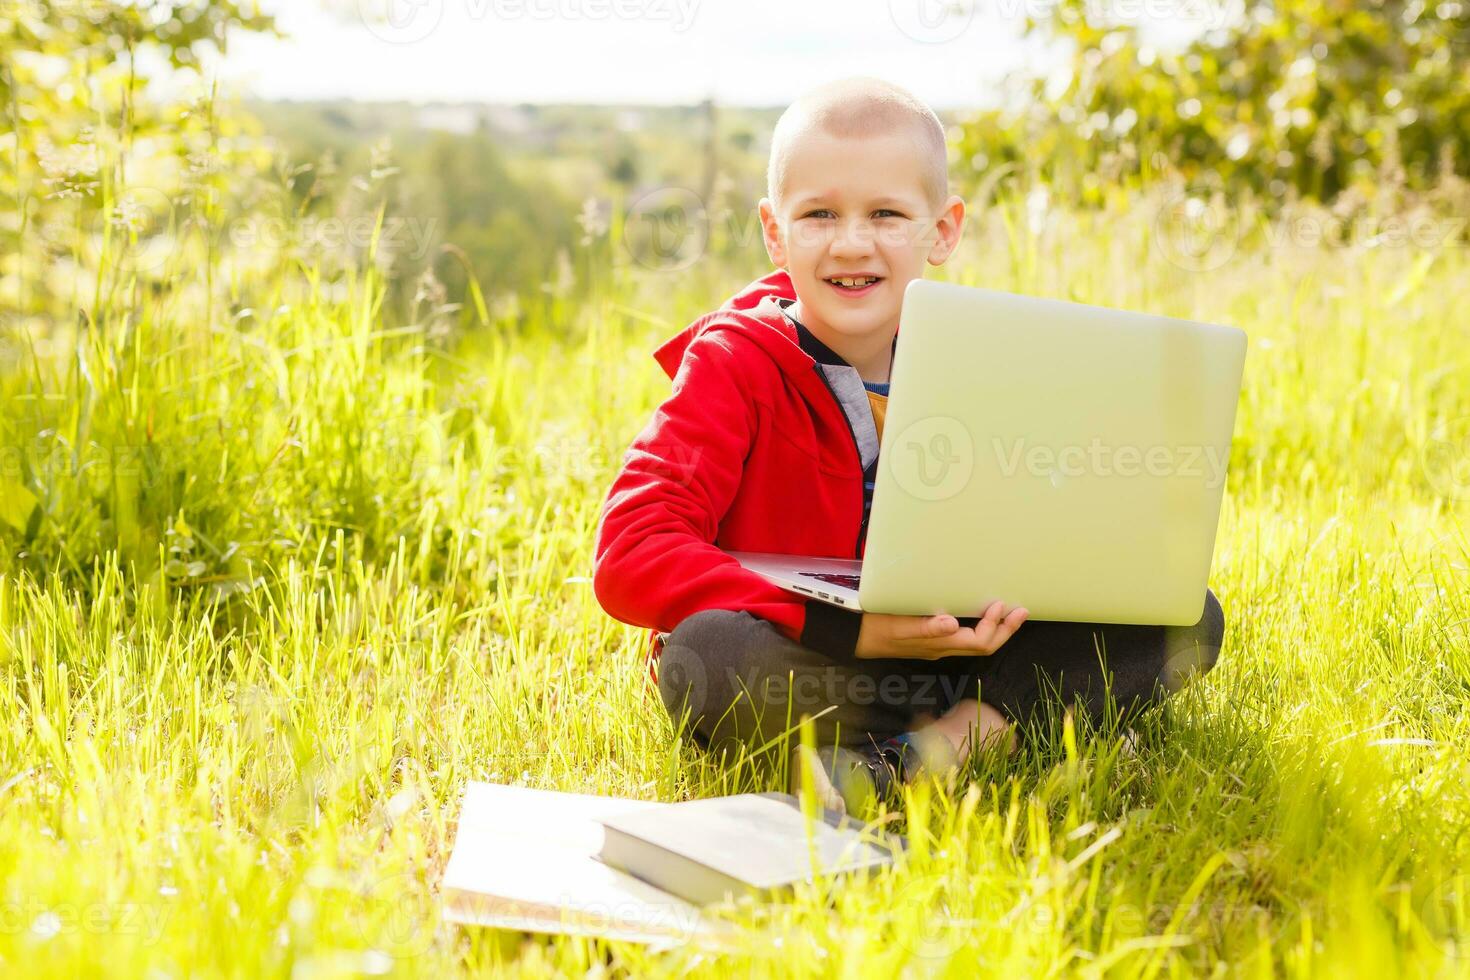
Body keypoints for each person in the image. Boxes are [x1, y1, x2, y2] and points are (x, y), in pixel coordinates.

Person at [591, 77, 1224, 815]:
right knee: (710, 653)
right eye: (819, 214)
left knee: (1185, 615)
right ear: (775, 231)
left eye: (887, 214)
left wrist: (1016, 595)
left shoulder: (986, 356)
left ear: (942, 230)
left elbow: (1043, 524)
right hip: (815, 659)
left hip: (957, 659)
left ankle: (933, 751)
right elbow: (630, 554)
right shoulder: (732, 364)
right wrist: (851, 631)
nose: (851, 242)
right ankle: (966, 738)